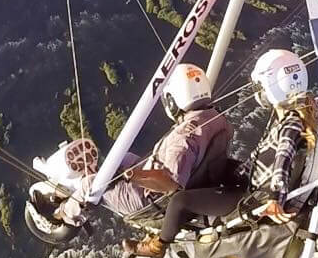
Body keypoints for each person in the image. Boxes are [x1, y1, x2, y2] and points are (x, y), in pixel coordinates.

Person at [123, 49, 316, 258]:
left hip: (252, 196)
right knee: (213, 172)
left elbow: (283, 157)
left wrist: (274, 198)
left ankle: (158, 246)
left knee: (180, 200)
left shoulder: (291, 122)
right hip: (251, 181)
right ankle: (173, 218)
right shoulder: (300, 115)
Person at [51, 63, 234, 227]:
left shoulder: (183, 138)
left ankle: (64, 215)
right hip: (193, 179)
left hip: (152, 202)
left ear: (172, 100)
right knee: (124, 157)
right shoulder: (216, 117)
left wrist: (131, 175)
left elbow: (170, 184)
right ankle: (77, 188)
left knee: (90, 183)